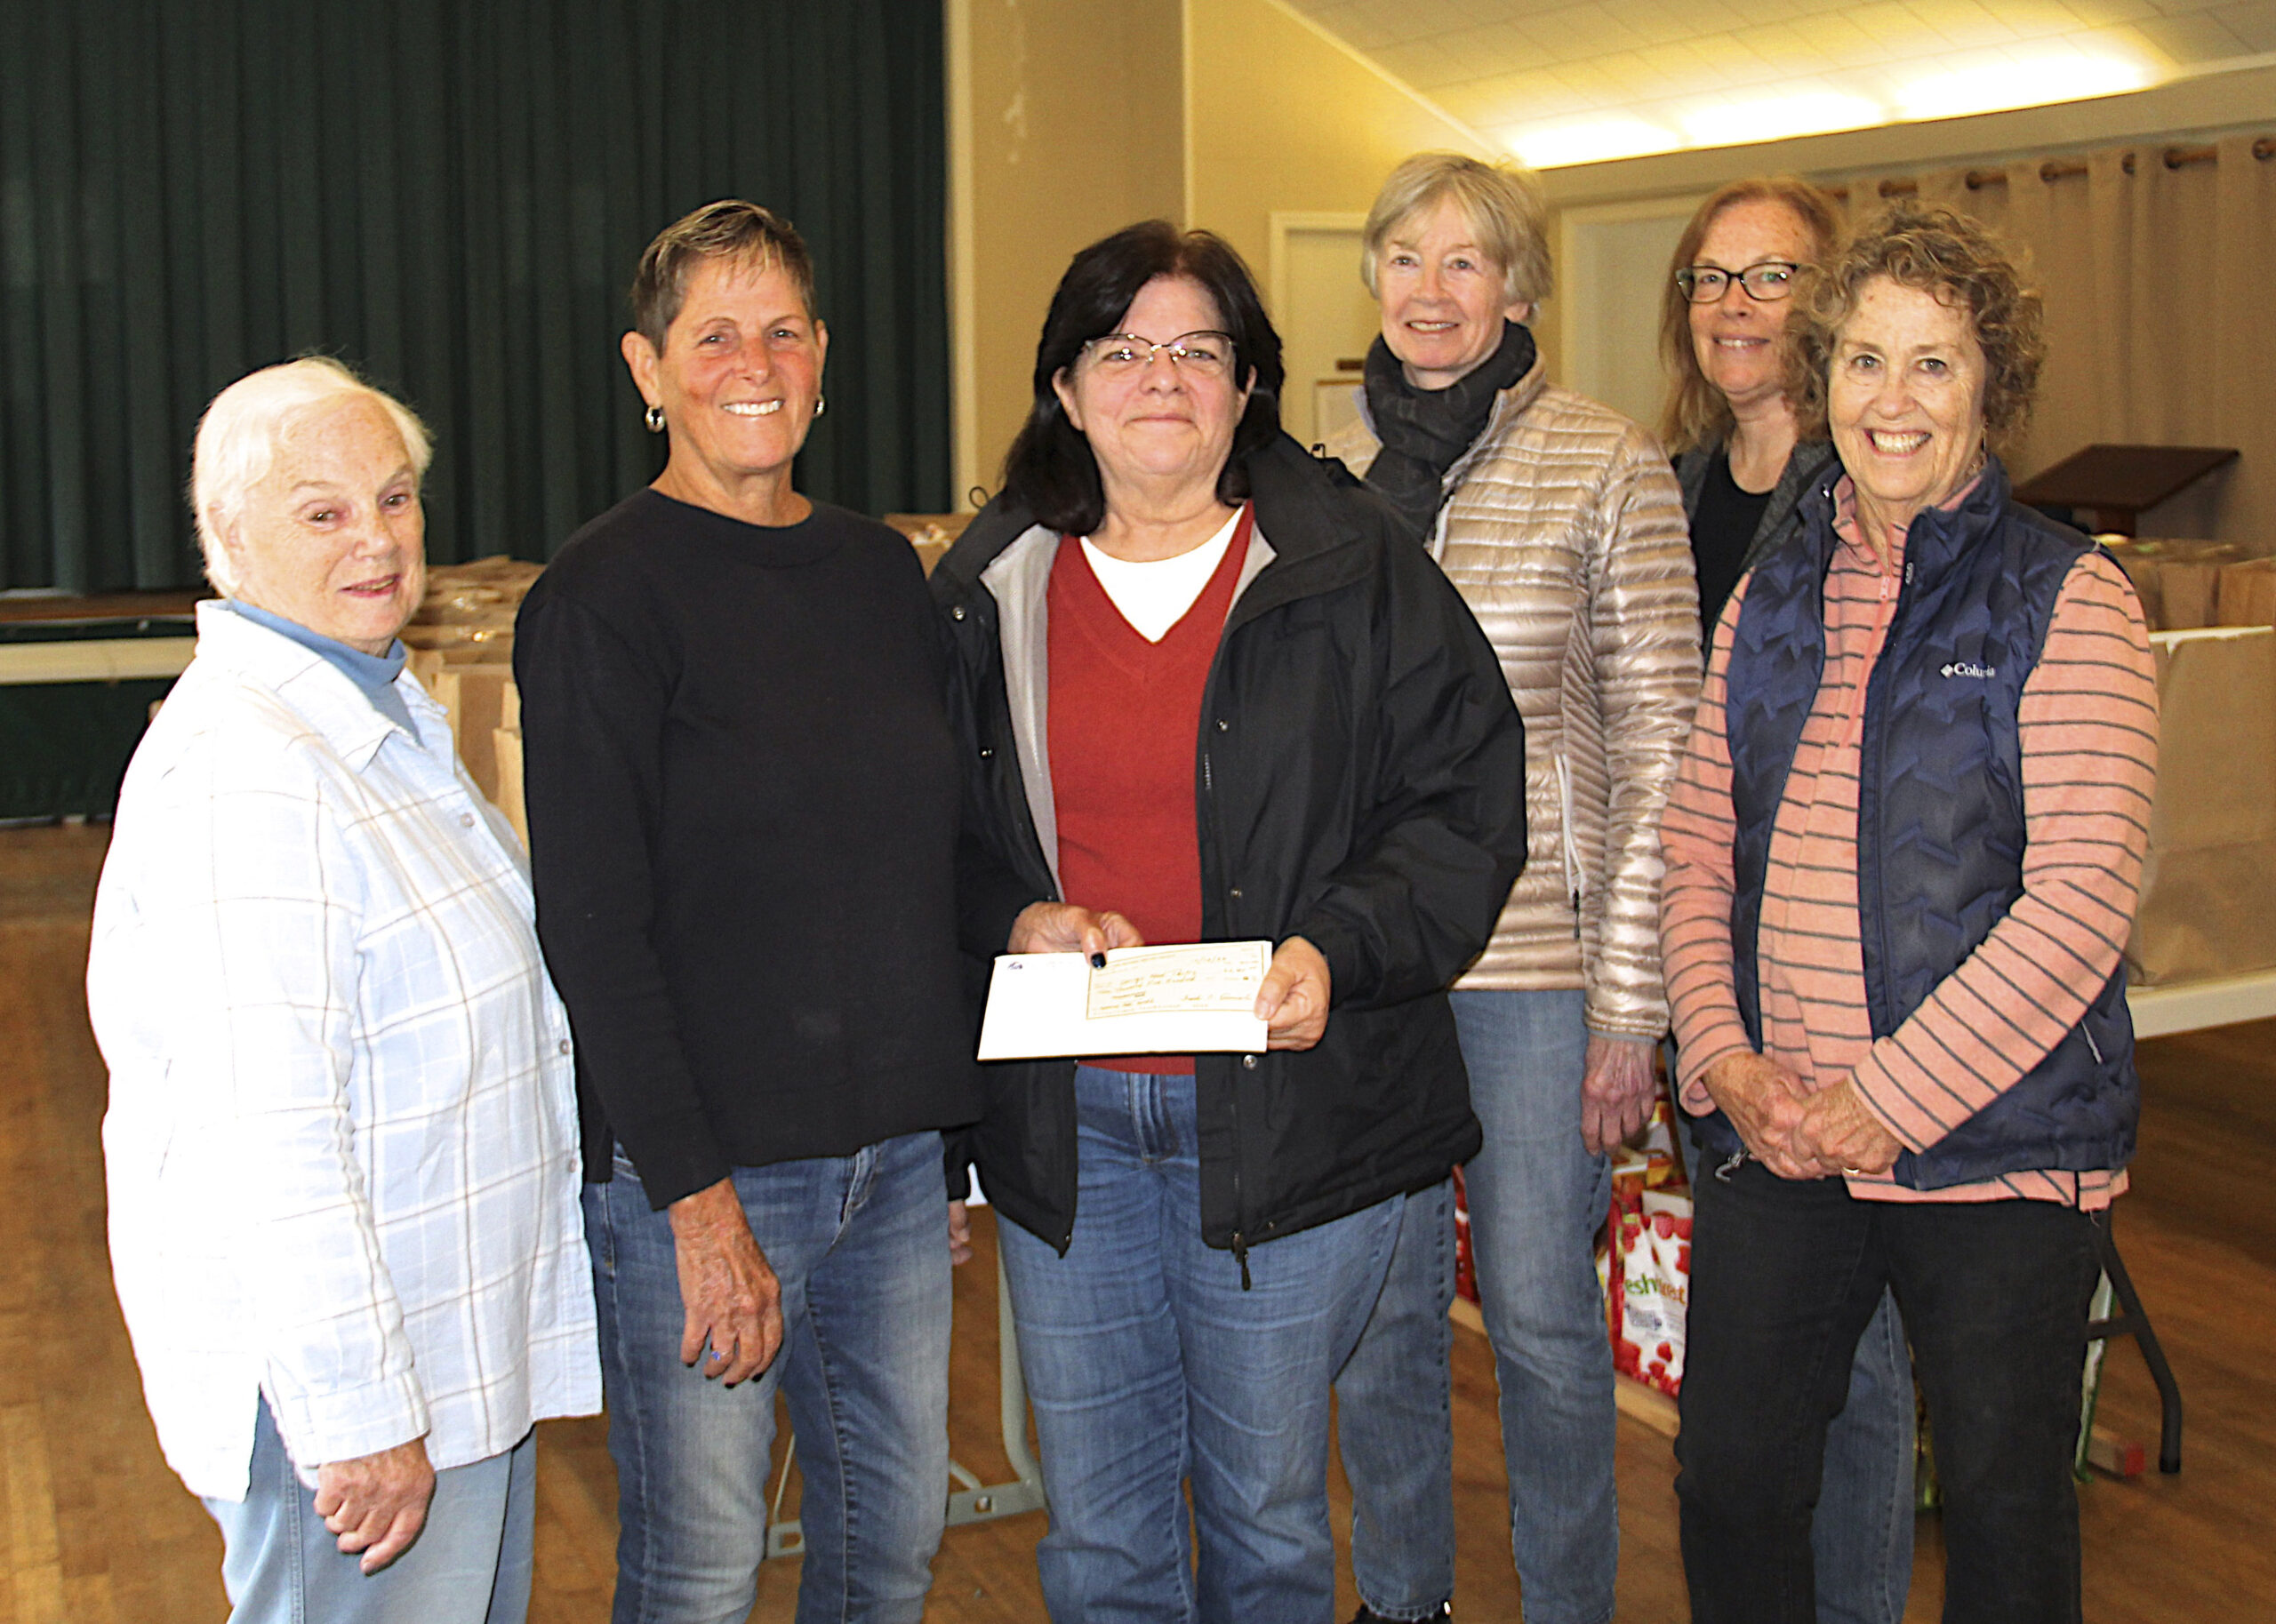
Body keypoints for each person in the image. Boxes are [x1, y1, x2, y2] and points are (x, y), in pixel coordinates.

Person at [932, 220, 1528, 1623]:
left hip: (1284, 1110)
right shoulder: (983, 587)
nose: (1161, 378)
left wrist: (1341, 945)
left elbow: (1466, 798)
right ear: (1065, 390)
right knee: (1101, 1534)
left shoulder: (1352, 563)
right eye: (1121, 349)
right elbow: (924, 842)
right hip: (1067, 1122)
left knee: (1263, 1520)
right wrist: (1013, 913)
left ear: (1247, 384)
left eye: (1197, 348)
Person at [1660, 203, 2157, 1624]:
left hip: (1997, 1153)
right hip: (1780, 1130)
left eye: (1934, 365)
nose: (1892, 401)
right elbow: (1699, 846)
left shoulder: (2070, 596)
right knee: (1732, 1485)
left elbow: (2079, 906)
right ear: (1820, 379)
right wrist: (1724, 1061)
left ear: (1990, 386)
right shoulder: (1771, 590)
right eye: (1865, 360)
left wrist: (1894, 1096)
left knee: (2002, 1518)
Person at [513, 201, 983, 1624]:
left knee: (890, 1546)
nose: (754, 359)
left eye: (783, 327)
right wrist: (698, 1206)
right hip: (708, 1179)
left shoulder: (880, 570)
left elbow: (924, 856)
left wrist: (946, 1143)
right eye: (713, 334)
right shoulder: (599, 597)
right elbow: (592, 926)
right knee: (703, 1576)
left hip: (892, 1168)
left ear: (825, 355)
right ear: (647, 369)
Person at [90, 357, 599, 1624]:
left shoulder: (371, 707)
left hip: (446, 1359)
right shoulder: (249, 770)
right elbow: (271, 1137)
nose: (376, 539)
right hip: (358, 1413)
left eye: (394, 499)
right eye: (323, 512)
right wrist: (362, 1413)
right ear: (228, 540)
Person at [1325, 152, 1699, 1624]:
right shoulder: (1318, 471)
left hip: (1542, 975)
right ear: (1370, 276)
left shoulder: (1606, 461)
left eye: (1467, 261)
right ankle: (1405, 1599)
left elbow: (1668, 747)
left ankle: (1566, 1605)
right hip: (1370, 965)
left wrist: (1631, 1008)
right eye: (1406, 256)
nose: (1433, 289)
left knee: (1542, 1324)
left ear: (1520, 287)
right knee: (1384, 1323)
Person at [1659, 177, 1918, 1624]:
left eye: (1773, 277)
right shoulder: (1675, 489)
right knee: (1750, 1388)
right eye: (1712, 277)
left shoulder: (1878, 490)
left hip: (1853, 996)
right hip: (1720, 996)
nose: (1737, 305)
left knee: (1856, 1370)